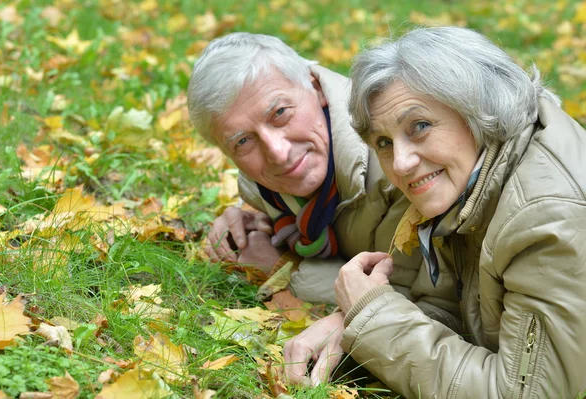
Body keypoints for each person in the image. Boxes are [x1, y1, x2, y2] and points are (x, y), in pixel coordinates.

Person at [284, 26, 586, 397]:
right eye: (383, 142)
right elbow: (455, 308)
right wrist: (348, 326)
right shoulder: (472, 179)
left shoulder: (544, 215)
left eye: (420, 126)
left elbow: (526, 393)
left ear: (479, 108)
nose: (401, 163)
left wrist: (371, 316)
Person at [187, 34, 466, 382]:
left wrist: (284, 267)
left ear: (316, 88)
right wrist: (248, 221)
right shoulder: (264, 190)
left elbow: (426, 296)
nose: (277, 151)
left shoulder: (400, 162)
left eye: (280, 113)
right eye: (243, 141)